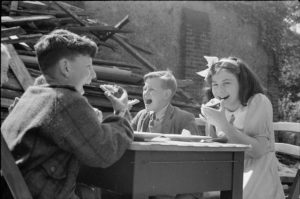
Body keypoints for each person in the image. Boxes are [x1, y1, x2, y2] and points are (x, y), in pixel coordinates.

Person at [1, 29, 133, 199]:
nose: (93, 75)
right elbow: (104, 151)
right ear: (65, 67)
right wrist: (122, 114)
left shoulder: (33, 95)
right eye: (88, 67)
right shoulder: (66, 100)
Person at [198, 56, 285, 199]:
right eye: (215, 84)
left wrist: (223, 124)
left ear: (242, 83)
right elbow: (215, 146)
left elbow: (257, 151)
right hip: (227, 171)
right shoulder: (217, 106)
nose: (220, 90)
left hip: (256, 174)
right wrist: (211, 124)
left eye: (227, 83)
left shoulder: (258, 102)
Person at [131, 70, 202, 136]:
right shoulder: (140, 115)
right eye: (145, 89)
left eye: (151, 89)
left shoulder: (184, 119)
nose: (145, 93)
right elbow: (126, 138)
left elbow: (193, 146)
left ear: (166, 94)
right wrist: (122, 112)